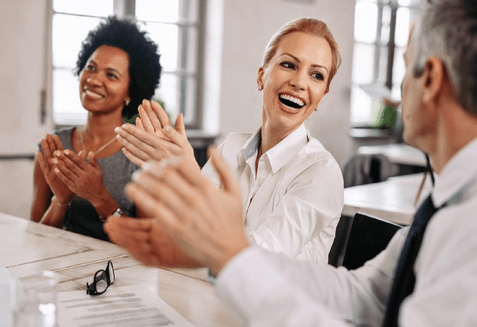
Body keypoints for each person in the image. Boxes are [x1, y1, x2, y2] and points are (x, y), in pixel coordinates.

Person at [105, 0, 477, 325]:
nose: (396, 93)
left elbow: (254, 249)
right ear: (262, 75)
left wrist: (226, 254)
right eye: (289, 65)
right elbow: (365, 297)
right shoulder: (447, 202)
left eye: (404, 68)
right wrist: (218, 256)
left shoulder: (466, 221)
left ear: (429, 79)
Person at [114, 17, 344, 263]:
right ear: (261, 76)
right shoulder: (231, 149)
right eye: (288, 64)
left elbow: (258, 262)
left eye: (317, 75)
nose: (299, 82)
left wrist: (191, 176)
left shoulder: (321, 173)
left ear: (321, 97)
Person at [30, 16, 162, 241]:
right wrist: (60, 201)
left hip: (122, 274)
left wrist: (100, 197)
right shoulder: (55, 146)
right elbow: (35, 237)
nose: (93, 79)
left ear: (131, 90)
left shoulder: (142, 153)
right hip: (63, 269)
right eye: (91, 68)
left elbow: (148, 242)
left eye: (111, 75)